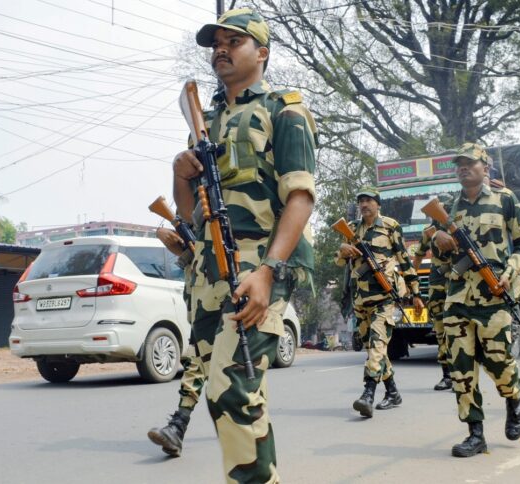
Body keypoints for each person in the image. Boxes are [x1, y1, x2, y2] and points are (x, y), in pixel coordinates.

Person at [172, 8, 316, 482]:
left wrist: (270, 271)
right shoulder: (206, 121)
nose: (221, 49)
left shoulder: (284, 110)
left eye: (234, 40)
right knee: (236, 396)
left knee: (231, 389)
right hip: (211, 271)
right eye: (216, 42)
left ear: (263, 53)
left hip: (259, 267)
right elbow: (191, 212)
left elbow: (299, 196)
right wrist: (181, 173)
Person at [432, 143, 520, 458]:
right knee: (461, 368)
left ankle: (513, 395)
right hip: (458, 296)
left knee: (499, 361)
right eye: (459, 164)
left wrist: (510, 272)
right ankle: (475, 434)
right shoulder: (448, 207)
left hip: (495, 295)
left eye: (470, 163)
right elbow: (434, 249)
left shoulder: (505, 200)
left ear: (485, 167)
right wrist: (438, 239)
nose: (463, 168)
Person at [335, 187, 423, 417]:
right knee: (374, 350)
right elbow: (339, 261)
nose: (364, 205)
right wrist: (343, 250)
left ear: (378, 204)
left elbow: (404, 259)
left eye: (369, 201)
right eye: (361, 201)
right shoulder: (351, 229)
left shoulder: (390, 226)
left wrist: (415, 292)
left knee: (377, 346)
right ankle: (393, 392)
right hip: (360, 299)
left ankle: (368, 394)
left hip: (384, 298)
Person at [147, 226, 206, 457]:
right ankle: (178, 427)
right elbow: (183, 246)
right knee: (196, 360)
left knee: (240, 370)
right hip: (202, 296)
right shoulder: (194, 206)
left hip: (233, 293)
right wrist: (167, 236)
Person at [412, 195, 453, 391]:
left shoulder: (458, 229)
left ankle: (462, 374)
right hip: (437, 287)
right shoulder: (429, 233)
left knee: (460, 329)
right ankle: (447, 375)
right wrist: (411, 282)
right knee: (440, 330)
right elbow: (418, 257)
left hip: (459, 285)